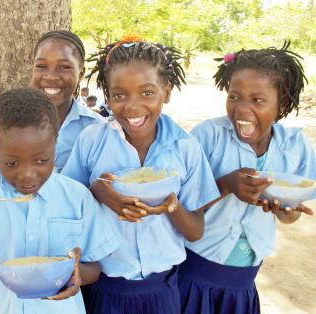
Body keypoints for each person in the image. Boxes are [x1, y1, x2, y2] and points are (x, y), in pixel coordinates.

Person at [61, 37, 220, 314]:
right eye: (119, 95)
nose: (132, 107)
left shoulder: (185, 147)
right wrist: (99, 191)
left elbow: (195, 231)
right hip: (104, 286)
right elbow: (68, 205)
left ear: (166, 92)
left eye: (147, 93)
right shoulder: (92, 140)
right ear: (108, 97)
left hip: (162, 290)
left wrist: (171, 205)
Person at [0, 88, 119, 314]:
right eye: (12, 163)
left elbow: (94, 268)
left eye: (42, 160)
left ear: (56, 142)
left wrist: (76, 274)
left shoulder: (76, 197)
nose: (27, 175)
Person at [178, 42, 316, 314]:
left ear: (283, 103)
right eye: (234, 96)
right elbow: (182, 204)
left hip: (245, 277)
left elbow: (291, 215)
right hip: (195, 268)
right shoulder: (209, 135)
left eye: (257, 100)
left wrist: (285, 211)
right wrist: (225, 184)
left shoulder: (294, 145)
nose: (241, 109)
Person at [30, 30, 105, 172]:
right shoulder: (13, 121)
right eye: (41, 66)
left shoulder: (97, 129)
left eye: (64, 67)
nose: (51, 77)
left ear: (81, 74)